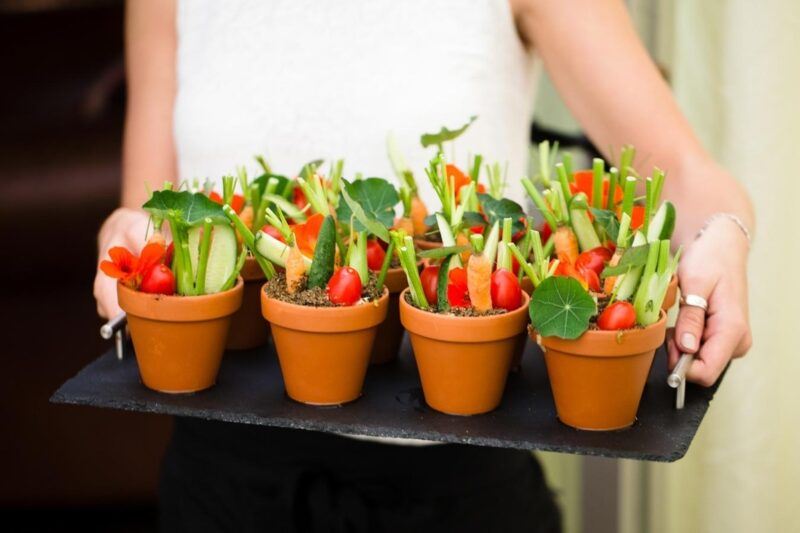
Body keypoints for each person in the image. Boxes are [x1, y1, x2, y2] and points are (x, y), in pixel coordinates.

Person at [94, 0, 754, 530]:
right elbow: (147, 206)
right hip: (220, 483)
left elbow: (687, 172)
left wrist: (724, 233)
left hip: (454, 486)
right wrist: (124, 237)